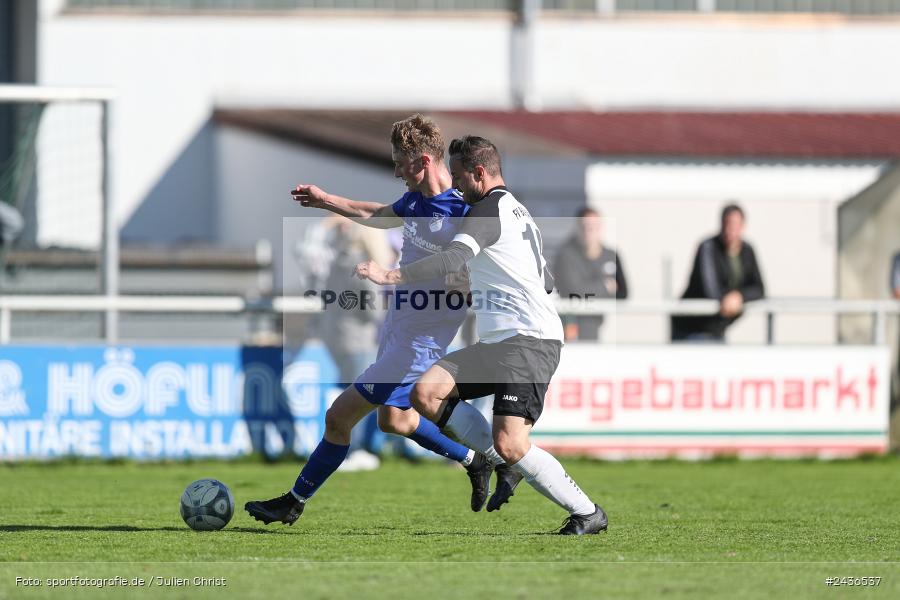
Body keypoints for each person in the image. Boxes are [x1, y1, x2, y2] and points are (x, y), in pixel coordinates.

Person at [245, 115, 495, 526]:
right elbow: (375, 212)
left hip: (418, 346)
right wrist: (326, 200)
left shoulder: (463, 211)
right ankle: (474, 461)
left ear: (427, 161)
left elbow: (476, 272)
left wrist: (454, 284)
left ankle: (293, 501)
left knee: (338, 416)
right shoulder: (416, 201)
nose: (396, 171)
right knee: (394, 418)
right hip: (397, 331)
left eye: (401, 162)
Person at [353, 135, 608, 535]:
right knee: (426, 393)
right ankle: (503, 464)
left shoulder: (486, 210)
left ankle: (587, 511)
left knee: (512, 442)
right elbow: (546, 279)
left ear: (479, 173)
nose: (454, 186)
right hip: (500, 341)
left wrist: (392, 275)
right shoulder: (516, 209)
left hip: (528, 342)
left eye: (458, 177)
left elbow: (454, 256)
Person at [671, 203, 765, 342]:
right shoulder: (708, 247)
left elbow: (759, 289)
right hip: (691, 328)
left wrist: (739, 296)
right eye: (727, 224)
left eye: (735, 224)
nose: (730, 229)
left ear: (743, 226)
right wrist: (729, 299)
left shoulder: (747, 250)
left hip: (717, 329)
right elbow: (711, 290)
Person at [552, 207, 628, 341]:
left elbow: (623, 294)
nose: (590, 231)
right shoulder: (565, 255)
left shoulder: (611, 255)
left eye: (595, 226)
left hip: (596, 323)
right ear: (577, 228)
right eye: (585, 226)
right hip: (570, 324)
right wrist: (605, 287)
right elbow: (573, 292)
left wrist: (589, 292)